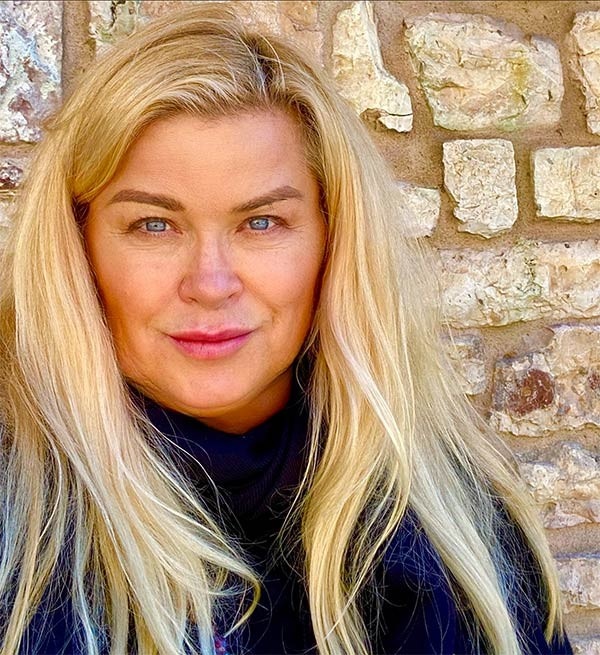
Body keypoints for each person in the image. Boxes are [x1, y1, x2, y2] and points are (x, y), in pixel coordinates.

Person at [0, 4, 572, 655]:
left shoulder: (461, 529)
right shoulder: (19, 525)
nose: (210, 282)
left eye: (262, 223)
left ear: (332, 239)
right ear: (80, 247)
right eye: (154, 225)